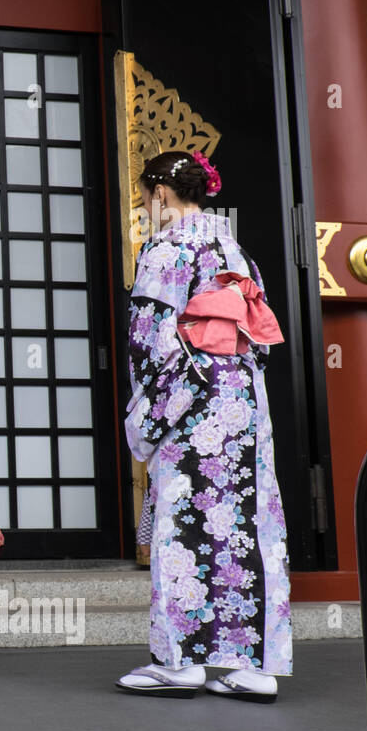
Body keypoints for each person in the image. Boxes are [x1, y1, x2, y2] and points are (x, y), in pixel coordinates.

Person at [118, 150, 292, 702]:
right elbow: (256, 333)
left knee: (184, 522)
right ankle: (256, 666)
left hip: (191, 394)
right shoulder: (233, 249)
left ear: (162, 195)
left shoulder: (166, 247)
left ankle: (180, 661)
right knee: (246, 523)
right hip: (241, 394)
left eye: (148, 196)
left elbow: (149, 339)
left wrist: (147, 415)